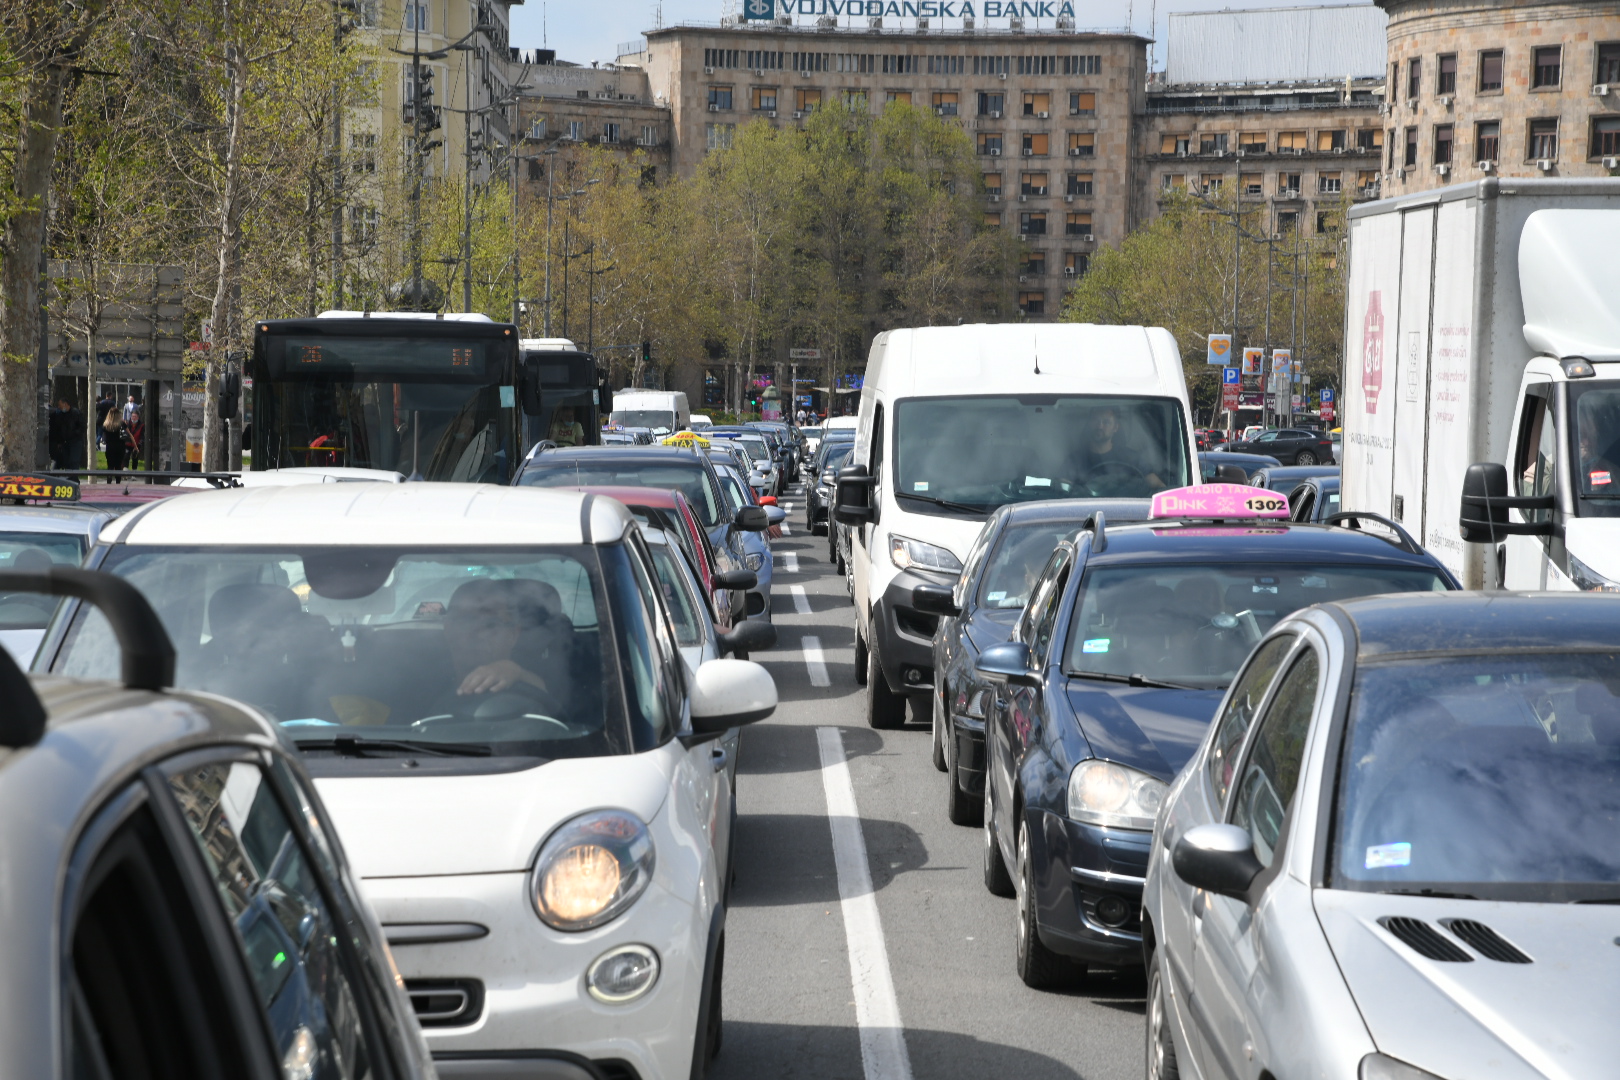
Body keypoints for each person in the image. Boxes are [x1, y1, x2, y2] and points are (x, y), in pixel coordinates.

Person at [1080, 406, 1167, 492]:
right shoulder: (1077, 460)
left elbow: (1159, 487)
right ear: (1089, 424)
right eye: (1095, 420)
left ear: (1115, 428)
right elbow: (1070, 490)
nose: (1100, 426)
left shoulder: (1132, 458)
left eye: (1106, 422)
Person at [48, 397, 86, 469]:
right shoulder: (60, 415)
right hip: (65, 442)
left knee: (74, 461)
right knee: (67, 461)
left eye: (60, 405)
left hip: (75, 441)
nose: (59, 407)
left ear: (65, 404)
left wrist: (74, 434)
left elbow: (82, 427)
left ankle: (73, 475)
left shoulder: (76, 413)